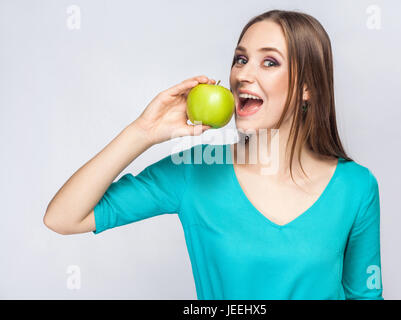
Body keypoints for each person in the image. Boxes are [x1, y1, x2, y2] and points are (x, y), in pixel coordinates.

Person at [44, 9, 383, 300]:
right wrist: (142, 133)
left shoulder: (356, 186)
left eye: (269, 62)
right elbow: (63, 217)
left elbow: (365, 294)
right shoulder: (195, 171)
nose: (243, 75)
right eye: (241, 59)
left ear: (307, 87)